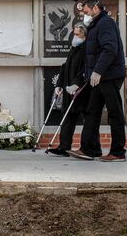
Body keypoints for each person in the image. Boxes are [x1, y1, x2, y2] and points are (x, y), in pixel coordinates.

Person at [68, 0, 127, 162]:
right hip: (98, 77)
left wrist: (98, 71)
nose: (84, 15)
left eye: (86, 11)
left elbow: (110, 49)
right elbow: (91, 54)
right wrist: (87, 76)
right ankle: (89, 149)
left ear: (95, 8)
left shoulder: (105, 23)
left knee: (114, 113)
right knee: (92, 111)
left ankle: (118, 151)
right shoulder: (94, 25)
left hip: (109, 75)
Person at [48, 23, 90, 157]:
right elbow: (65, 67)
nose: (75, 36)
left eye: (78, 34)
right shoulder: (74, 48)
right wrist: (59, 84)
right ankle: (64, 147)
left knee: (88, 120)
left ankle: (88, 147)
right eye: (74, 34)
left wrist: (76, 84)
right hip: (68, 89)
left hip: (80, 91)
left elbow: (85, 70)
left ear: (84, 35)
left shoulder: (86, 49)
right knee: (67, 118)